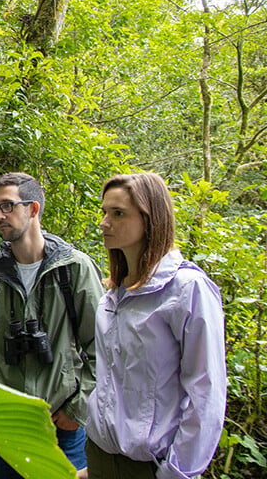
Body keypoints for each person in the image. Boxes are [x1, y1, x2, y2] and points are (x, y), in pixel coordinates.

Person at [0, 172, 104, 479]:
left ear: (33, 209)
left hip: (61, 427)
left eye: (8, 206)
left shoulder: (74, 268)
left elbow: (104, 346)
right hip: (5, 427)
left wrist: (77, 410)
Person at [85, 172, 226, 479]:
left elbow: (207, 394)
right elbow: (110, 380)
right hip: (99, 455)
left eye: (118, 213)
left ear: (150, 219)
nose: (104, 223)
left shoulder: (187, 290)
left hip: (151, 466)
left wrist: (176, 473)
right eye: (104, 212)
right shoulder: (115, 293)